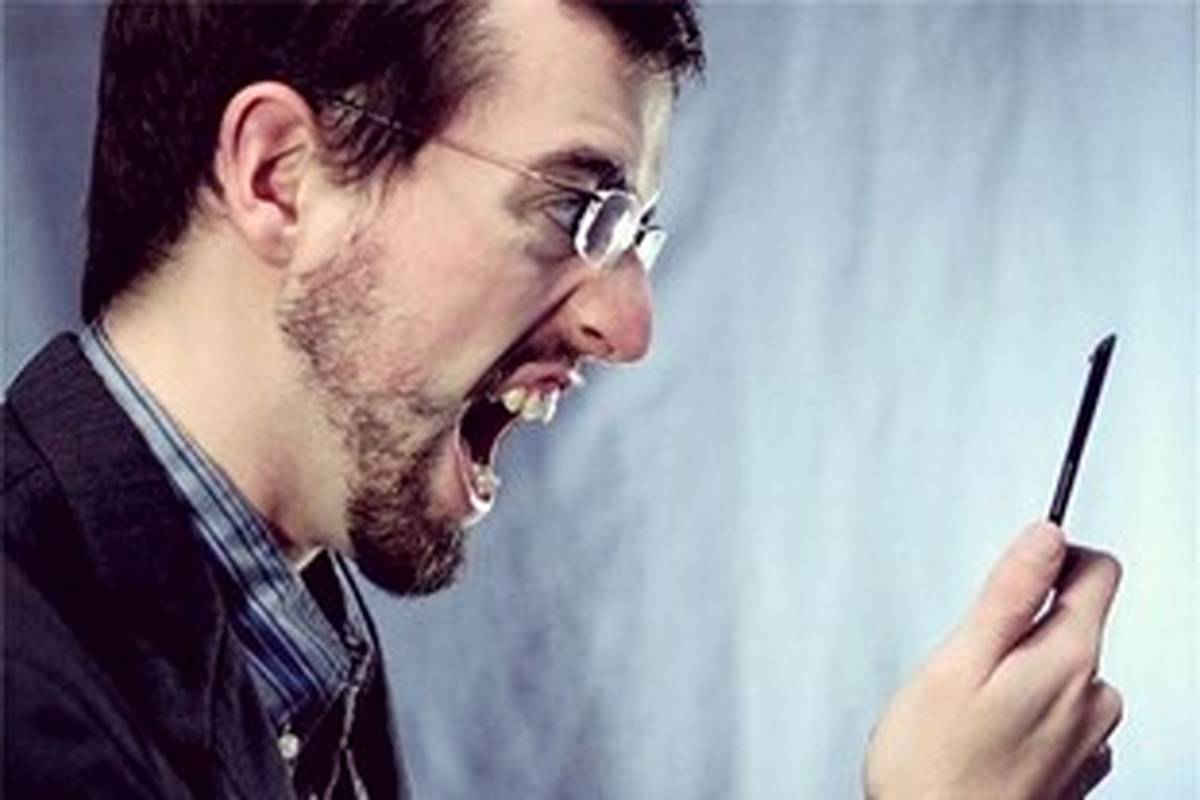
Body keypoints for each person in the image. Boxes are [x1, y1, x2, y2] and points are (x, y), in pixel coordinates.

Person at [1, 1, 1121, 798]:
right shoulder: (24, 699)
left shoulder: (293, 637)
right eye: (575, 209)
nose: (627, 328)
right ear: (280, 176)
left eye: (632, 233)